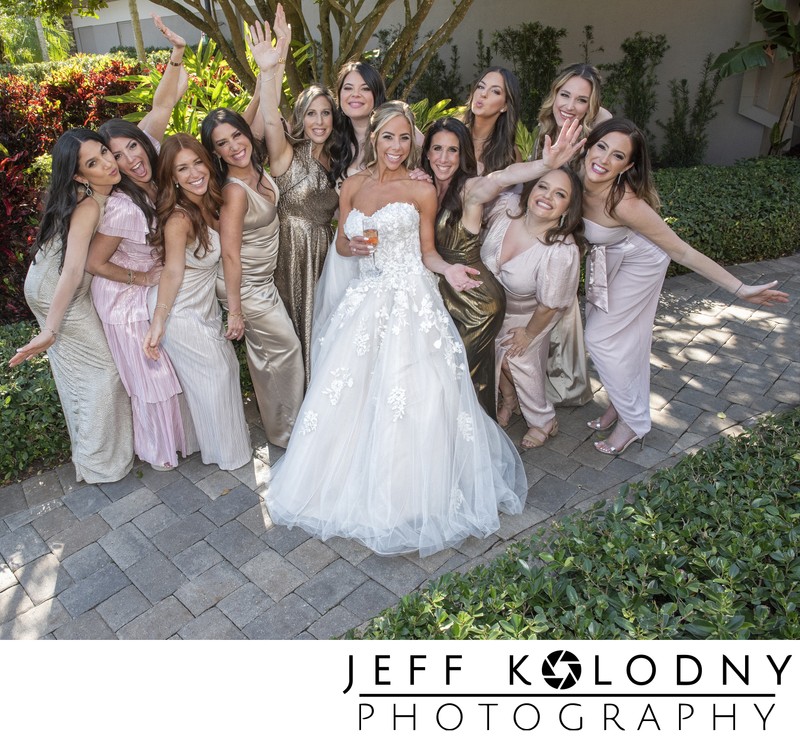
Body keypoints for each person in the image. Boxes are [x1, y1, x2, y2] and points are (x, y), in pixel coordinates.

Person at [266, 101, 527, 557]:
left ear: (413, 143)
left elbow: (427, 251)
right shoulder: (351, 184)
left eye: (406, 138)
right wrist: (354, 245)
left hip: (412, 301)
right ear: (374, 137)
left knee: (416, 392)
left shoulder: (421, 189)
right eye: (389, 136)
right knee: (353, 393)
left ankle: (415, 488)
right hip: (366, 300)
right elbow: (343, 244)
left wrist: (448, 270)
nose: (397, 146)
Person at [580, 118, 788, 455]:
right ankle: (619, 404)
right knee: (626, 338)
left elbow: (681, 251)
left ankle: (633, 421)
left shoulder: (625, 203)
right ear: (589, 145)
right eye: (601, 147)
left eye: (618, 156)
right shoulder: (576, 174)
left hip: (641, 262)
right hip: (608, 257)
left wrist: (740, 289)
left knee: (599, 337)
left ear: (628, 166)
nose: (604, 159)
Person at [87, 14, 195, 471]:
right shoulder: (123, 206)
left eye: (131, 147)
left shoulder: (149, 153)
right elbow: (95, 262)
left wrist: (176, 54)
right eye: (116, 157)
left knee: (162, 367)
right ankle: (158, 450)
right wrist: (140, 276)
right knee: (150, 375)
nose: (130, 160)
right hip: (122, 295)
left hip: (147, 287)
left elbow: (164, 102)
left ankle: (177, 439)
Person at [10, 129, 134, 483]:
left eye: (105, 153)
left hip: (53, 285)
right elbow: (73, 269)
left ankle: (92, 458)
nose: (109, 163)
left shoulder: (96, 191)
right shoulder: (89, 204)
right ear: (80, 175)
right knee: (103, 373)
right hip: (57, 289)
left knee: (81, 374)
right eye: (93, 163)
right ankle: (99, 464)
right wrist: (50, 329)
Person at [143, 134, 251, 470]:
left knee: (223, 371)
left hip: (200, 308)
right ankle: (228, 454)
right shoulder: (180, 219)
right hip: (179, 311)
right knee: (218, 373)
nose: (194, 173)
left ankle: (219, 447)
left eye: (198, 163)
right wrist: (158, 323)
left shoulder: (207, 203)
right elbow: (172, 272)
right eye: (182, 169)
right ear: (173, 178)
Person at [200, 108, 304, 448]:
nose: (233, 146)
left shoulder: (256, 170)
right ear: (214, 152)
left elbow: (260, 112)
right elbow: (229, 254)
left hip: (262, 282)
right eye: (222, 144)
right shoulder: (234, 191)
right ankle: (290, 433)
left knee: (268, 354)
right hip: (243, 287)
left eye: (236, 136)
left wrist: (266, 73)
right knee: (286, 349)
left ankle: (282, 427)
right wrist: (235, 310)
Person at [249, 14, 340, 386]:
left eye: (326, 112)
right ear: (300, 117)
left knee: (324, 328)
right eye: (311, 113)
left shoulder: (340, 160)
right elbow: (270, 118)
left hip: (324, 255)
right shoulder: (287, 152)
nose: (319, 120)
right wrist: (272, 67)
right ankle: (292, 405)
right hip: (286, 253)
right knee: (288, 333)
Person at [481, 166, 586, 449]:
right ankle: (510, 398)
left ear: (567, 208)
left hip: (532, 314)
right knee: (490, 353)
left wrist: (528, 334)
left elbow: (550, 306)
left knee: (518, 358)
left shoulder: (561, 251)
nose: (547, 196)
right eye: (543, 186)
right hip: (492, 308)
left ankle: (543, 420)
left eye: (560, 194)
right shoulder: (506, 210)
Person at [534, 63, 613, 408]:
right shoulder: (544, 129)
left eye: (581, 100)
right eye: (564, 94)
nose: (569, 105)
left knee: (561, 306)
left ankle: (564, 383)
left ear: (592, 106)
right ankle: (532, 376)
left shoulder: (595, 136)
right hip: (545, 224)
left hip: (572, 231)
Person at [462, 67, 522, 175]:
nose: (483, 94)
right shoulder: (453, 133)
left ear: (505, 106)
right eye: (480, 86)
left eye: (495, 91)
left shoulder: (509, 153)